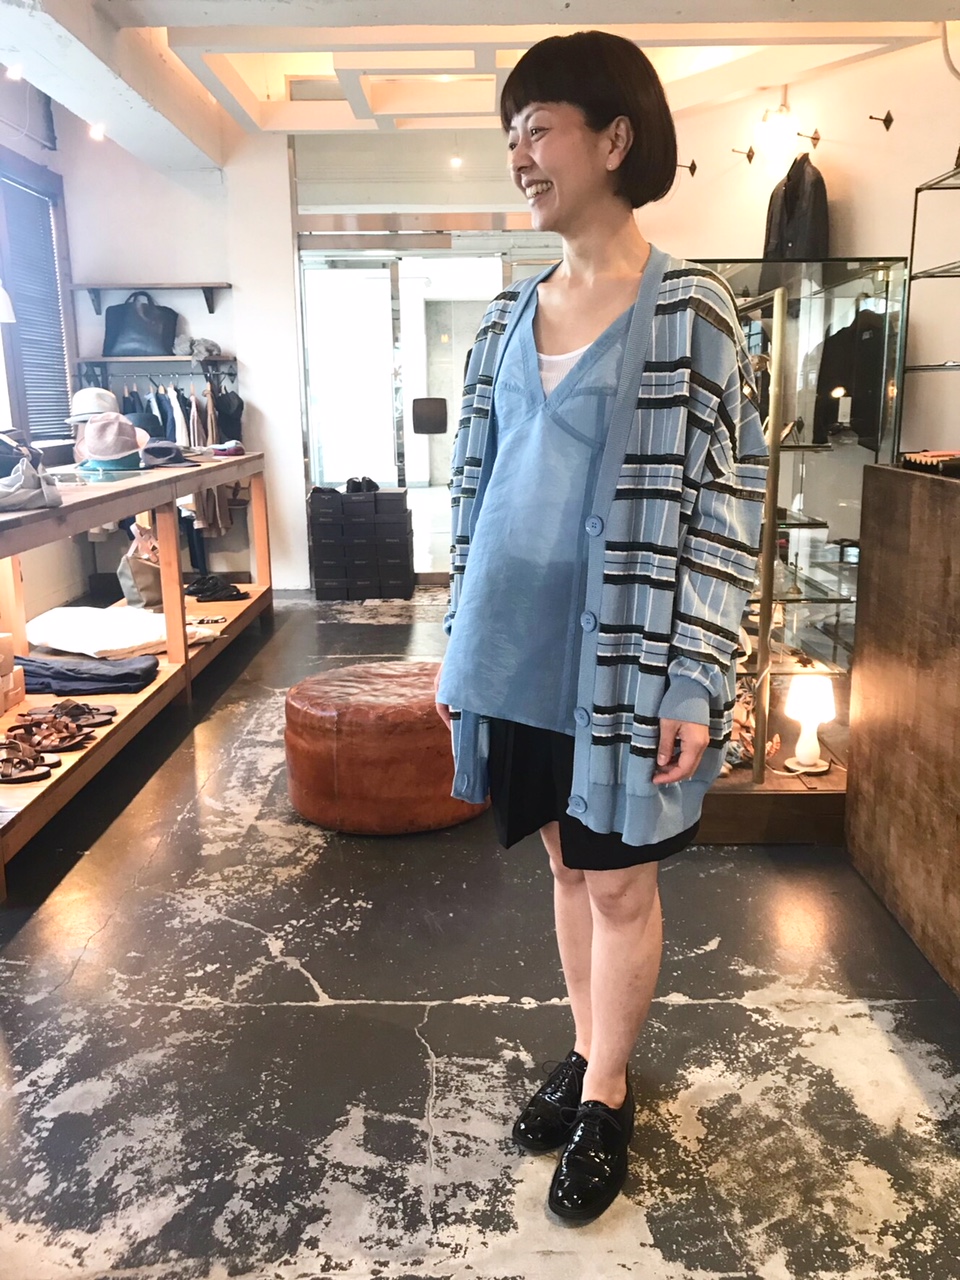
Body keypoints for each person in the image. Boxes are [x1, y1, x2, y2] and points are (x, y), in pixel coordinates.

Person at [435, 30, 768, 1223]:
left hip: (626, 657)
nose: (520, 155)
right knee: (568, 864)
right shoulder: (501, 322)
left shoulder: (693, 312)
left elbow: (732, 501)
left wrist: (697, 672)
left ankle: (609, 1094)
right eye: (510, 135)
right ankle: (587, 1051)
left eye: (539, 128)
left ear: (614, 138)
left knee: (621, 883)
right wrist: (460, 645)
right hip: (519, 653)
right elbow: (470, 497)